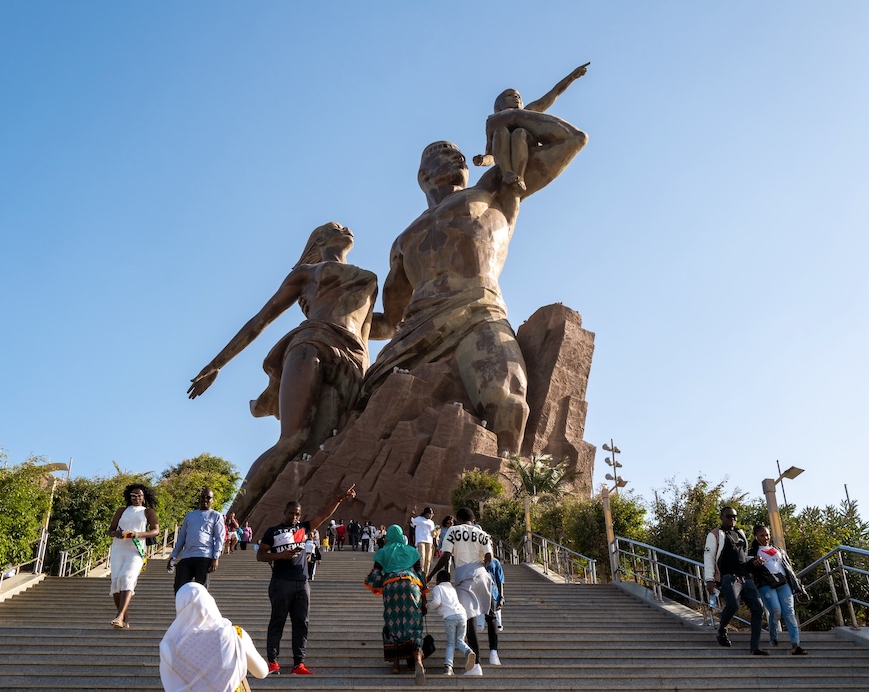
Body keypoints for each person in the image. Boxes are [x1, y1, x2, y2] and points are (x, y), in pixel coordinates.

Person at [363, 103, 587, 455]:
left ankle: (507, 495)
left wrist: (509, 119)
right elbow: (389, 321)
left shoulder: (495, 190)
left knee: (508, 405)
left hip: (478, 314)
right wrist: (334, 323)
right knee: (360, 413)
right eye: (442, 153)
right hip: (413, 333)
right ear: (423, 175)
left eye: (460, 154)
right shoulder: (404, 240)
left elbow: (572, 139)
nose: (458, 158)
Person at [188, 223, 389, 523]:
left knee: (326, 442)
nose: (347, 228)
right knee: (293, 440)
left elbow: (380, 326)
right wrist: (217, 363)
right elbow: (260, 320)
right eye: (336, 227)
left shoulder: (368, 277)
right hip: (313, 343)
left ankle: (305, 520)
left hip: (355, 360)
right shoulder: (307, 273)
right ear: (320, 239)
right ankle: (231, 522)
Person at [257, 485, 356, 675]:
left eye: (297, 514)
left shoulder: (303, 528)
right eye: (291, 513)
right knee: (277, 621)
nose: (294, 517)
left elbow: (323, 515)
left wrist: (340, 498)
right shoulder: (273, 531)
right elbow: (260, 555)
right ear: (284, 513)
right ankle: (272, 662)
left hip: (302, 582)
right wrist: (280, 556)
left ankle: (298, 664)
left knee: (301, 623)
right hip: (281, 581)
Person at [473, 62, 589, 191]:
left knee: (519, 132)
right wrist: (482, 160)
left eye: (518, 96)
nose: (516, 98)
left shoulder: (528, 111)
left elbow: (553, 94)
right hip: (505, 155)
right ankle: (507, 172)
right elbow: (492, 155)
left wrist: (572, 76)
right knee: (500, 130)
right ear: (498, 106)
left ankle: (519, 177)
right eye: (510, 96)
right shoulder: (494, 122)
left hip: (527, 146)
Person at [429, 507, 496, 676]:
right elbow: (489, 558)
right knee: (490, 614)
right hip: (482, 574)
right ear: (473, 519)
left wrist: (431, 574)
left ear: (458, 518)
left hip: (464, 577)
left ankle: (476, 665)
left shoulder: (453, 530)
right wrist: (480, 567)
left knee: (470, 619)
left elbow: (445, 555)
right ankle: (494, 653)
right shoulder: (482, 534)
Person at [364, 524, 429, 684]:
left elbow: (376, 573)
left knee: (393, 622)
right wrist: (424, 594)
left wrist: (375, 584)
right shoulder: (412, 551)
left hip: (391, 584)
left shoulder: (383, 551)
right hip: (411, 583)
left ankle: (396, 665)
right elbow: (420, 573)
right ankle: (418, 661)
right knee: (413, 623)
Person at [703, 507, 768, 655]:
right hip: (728, 576)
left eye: (735, 517)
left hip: (745, 575)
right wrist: (709, 579)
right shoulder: (715, 534)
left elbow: (743, 557)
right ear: (721, 517)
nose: (732, 519)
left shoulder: (740, 533)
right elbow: (709, 557)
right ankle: (722, 629)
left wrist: (754, 562)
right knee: (733, 605)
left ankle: (755, 647)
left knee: (758, 608)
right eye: (729, 516)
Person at [106, 483, 160, 629]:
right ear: (129, 497)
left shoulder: (148, 512)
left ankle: (119, 616)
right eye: (133, 496)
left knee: (128, 577)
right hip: (119, 548)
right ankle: (124, 619)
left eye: (139, 496)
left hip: (136, 549)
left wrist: (139, 534)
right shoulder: (122, 510)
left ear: (144, 498)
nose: (136, 498)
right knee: (116, 582)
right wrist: (116, 533)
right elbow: (110, 530)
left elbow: (155, 531)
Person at [750, 525, 809, 655]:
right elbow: (747, 567)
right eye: (762, 535)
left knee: (789, 612)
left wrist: (798, 585)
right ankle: (773, 636)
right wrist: (754, 563)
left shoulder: (777, 549)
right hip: (765, 583)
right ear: (756, 536)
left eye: (767, 535)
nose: (765, 538)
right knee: (776, 610)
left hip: (783, 582)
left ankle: (795, 644)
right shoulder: (752, 552)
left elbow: (789, 568)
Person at [166, 489, 225, 594]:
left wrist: (216, 557)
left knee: (200, 590)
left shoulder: (216, 516)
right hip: (187, 556)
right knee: (179, 588)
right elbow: (181, 537)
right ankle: (183, 609)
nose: (205, 499)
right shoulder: (190, 515)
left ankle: (199, 610)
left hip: (204, 556)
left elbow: (220, 537)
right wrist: (173, 556)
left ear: (213, 500)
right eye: (203, 497)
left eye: (208, 497)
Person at [427, 569, 477, 676]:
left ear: (439, 579)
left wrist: (427, 605)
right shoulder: (452, 589)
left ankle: (448, 668)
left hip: (450, 617)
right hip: (462, 615)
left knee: (450, 643)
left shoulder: (438, 588)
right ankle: (468, 651)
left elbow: (436, 602)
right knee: (459, 640)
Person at [482, 551, 505, 664]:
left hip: (493, 594)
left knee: (492, 620)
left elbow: (500, 580)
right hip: (478, 595)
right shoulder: (477, 561)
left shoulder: (495, 562)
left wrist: (501, 597)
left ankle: (493, 652)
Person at [410, 506, 437, 575]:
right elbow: (411, 521)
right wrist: (413, 513)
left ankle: (426, 574)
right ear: (426, 513)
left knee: (428, 559)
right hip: (420, 540)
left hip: (429, 541)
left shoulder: (431, 522)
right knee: (422, 556)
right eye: (430, 513)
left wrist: (435, 533)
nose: (431, 515)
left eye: (432, 514)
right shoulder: (419, 519)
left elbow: (432, 532)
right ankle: (420, 573)